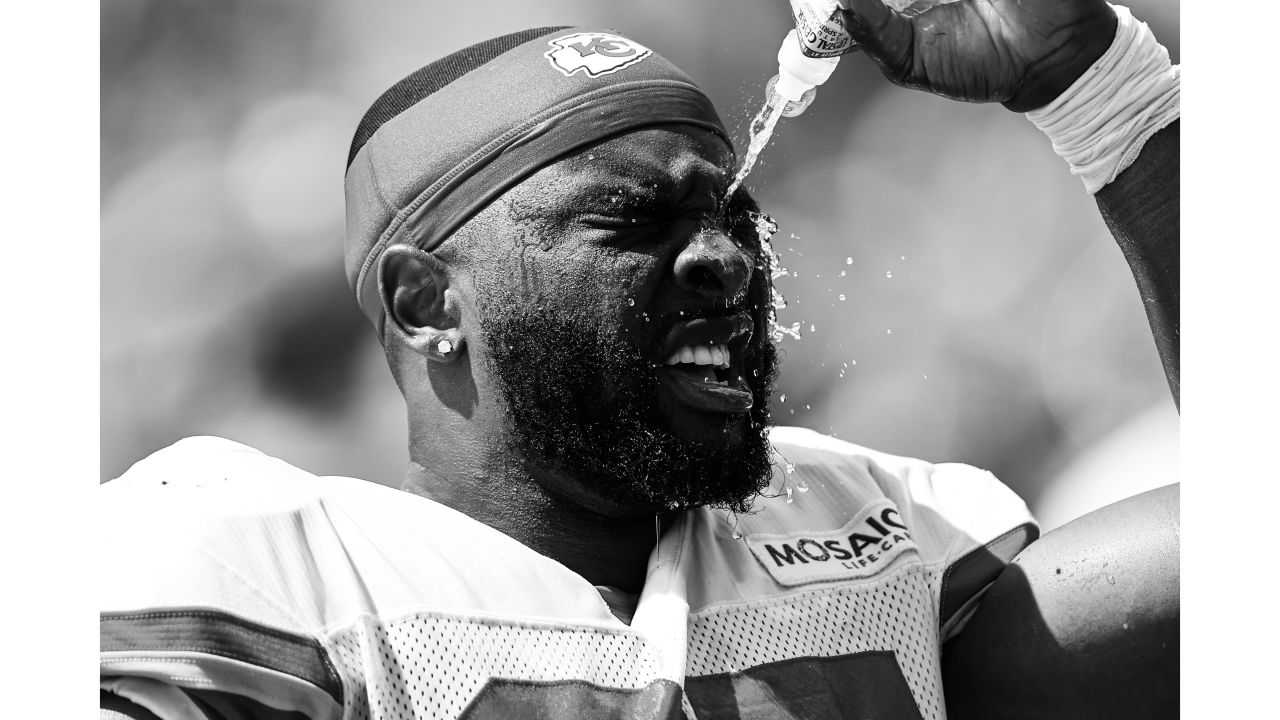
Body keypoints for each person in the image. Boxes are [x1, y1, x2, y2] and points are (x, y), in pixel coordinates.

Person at [100, 0, 1178, 718]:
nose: (724, 261)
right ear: (428, 301)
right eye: (628, 221)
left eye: (732, 216)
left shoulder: (890, 542)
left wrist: (1101, 92)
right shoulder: (254, 584)